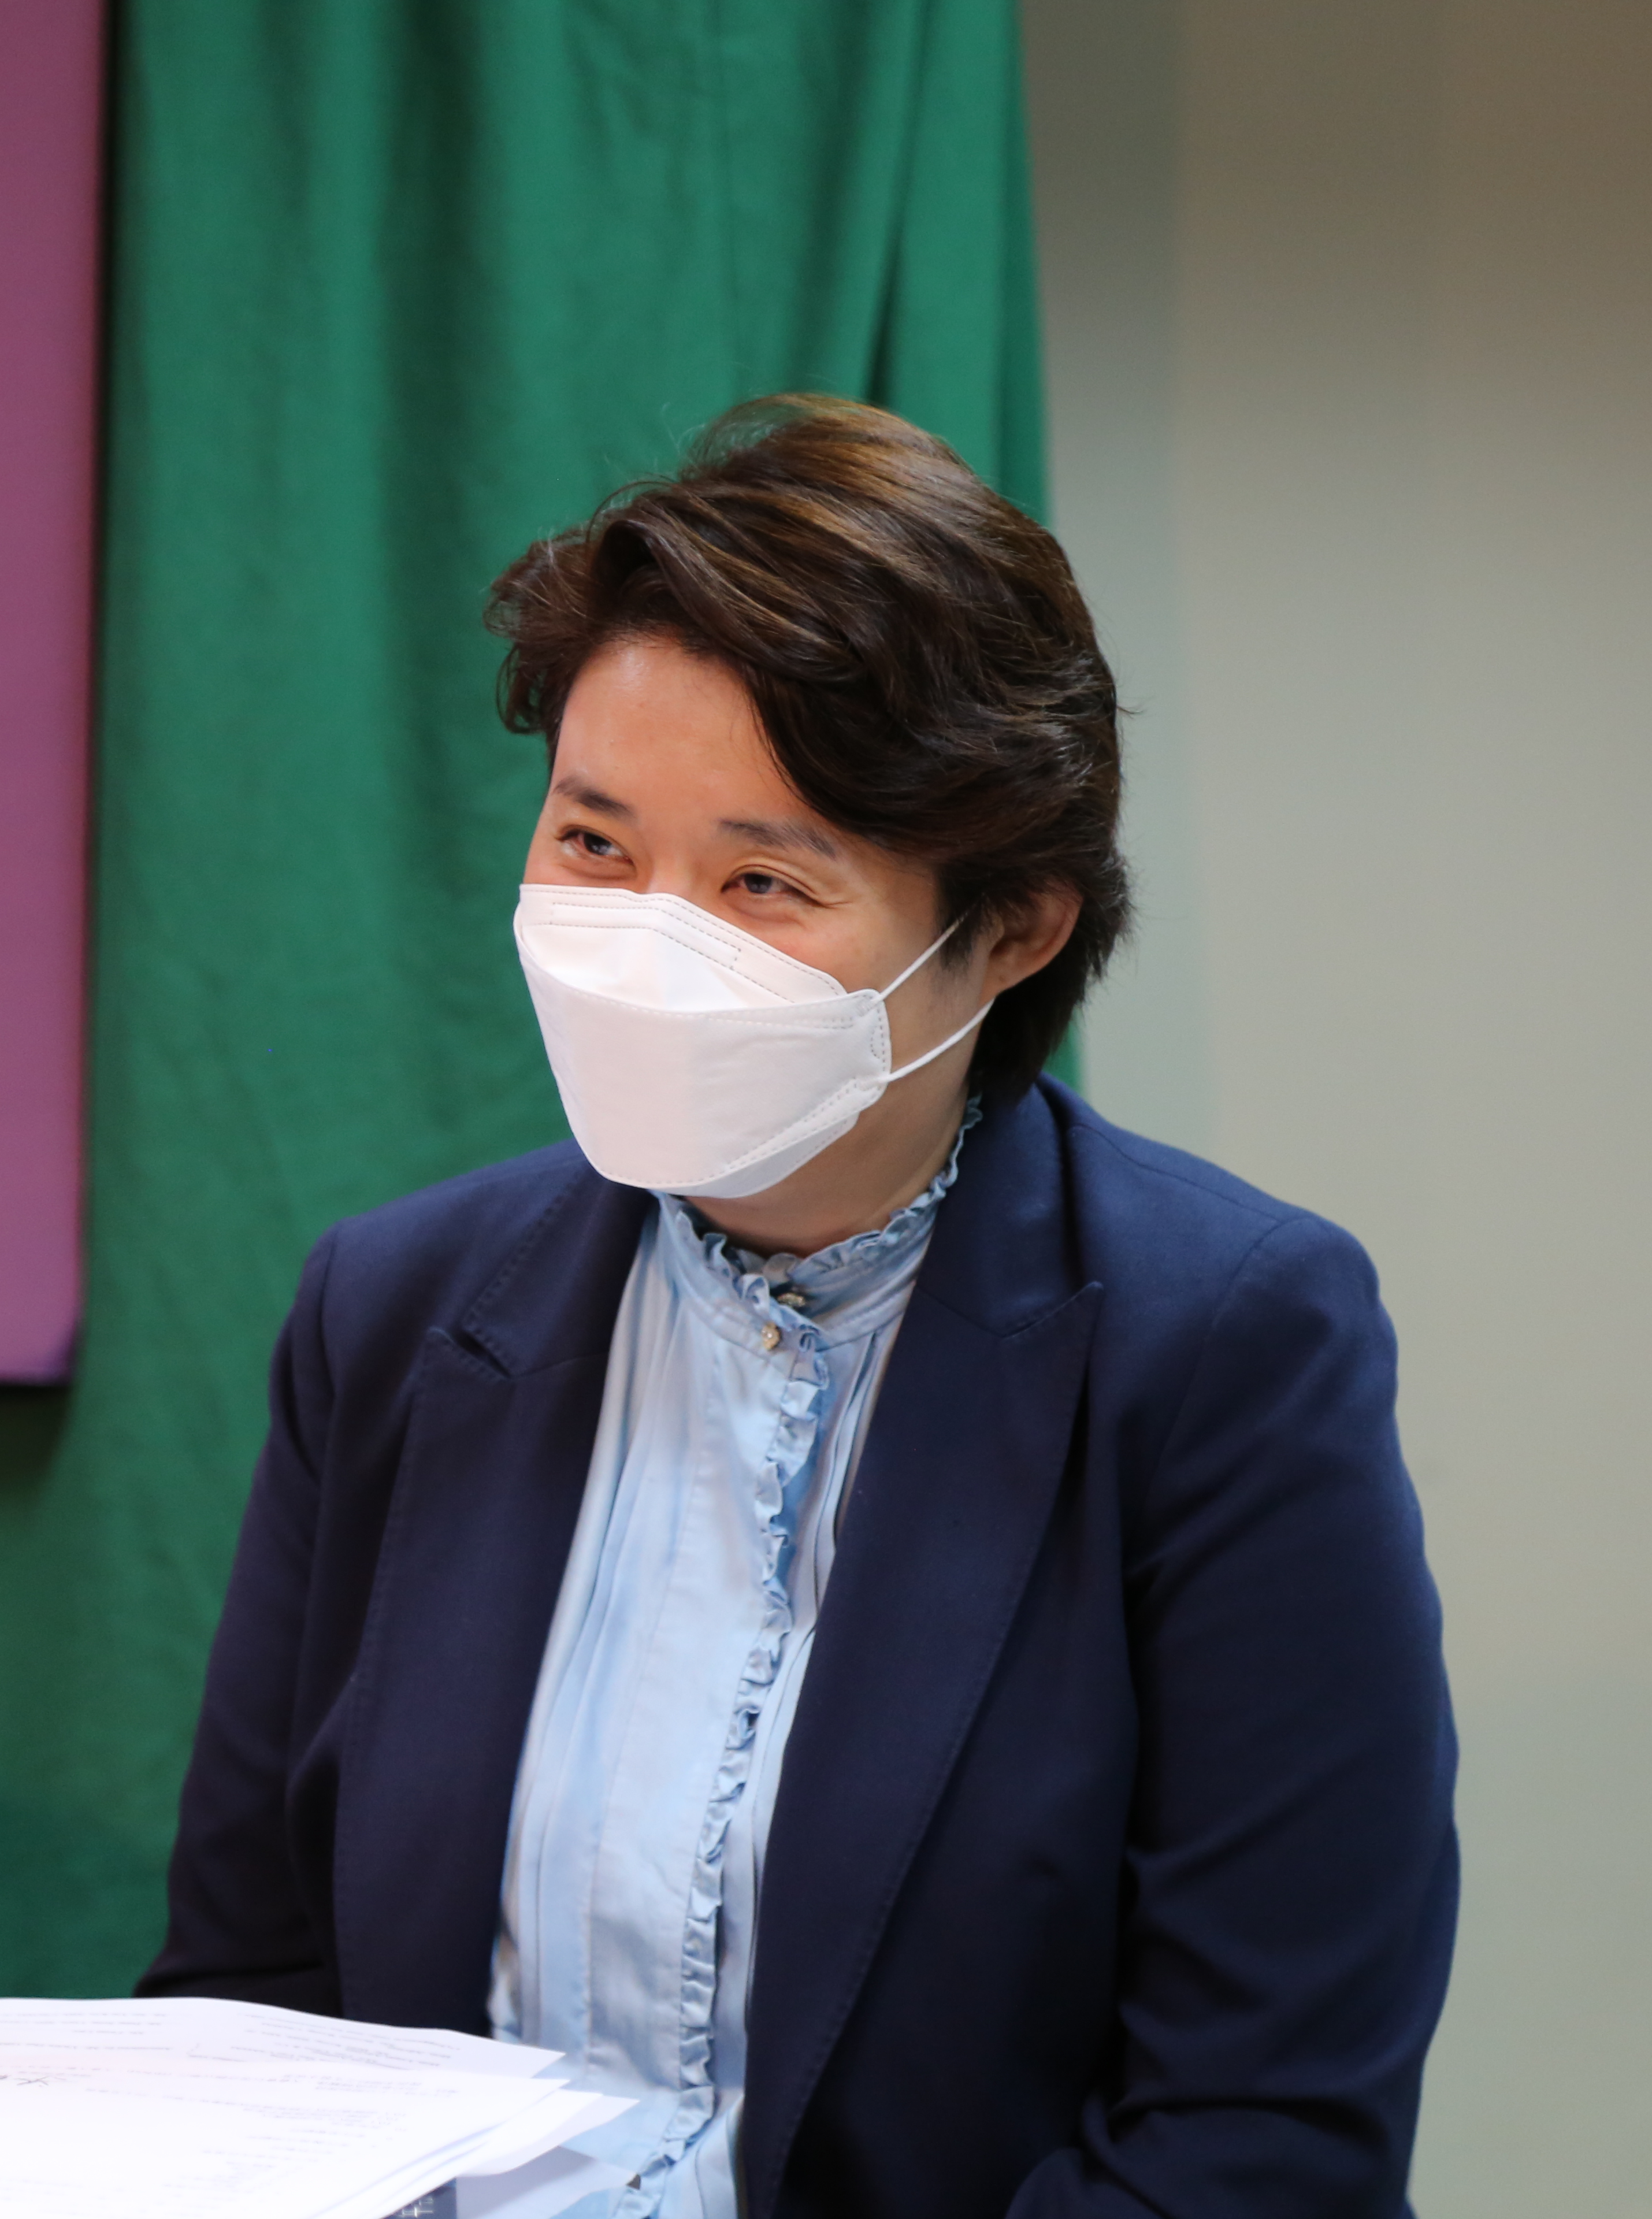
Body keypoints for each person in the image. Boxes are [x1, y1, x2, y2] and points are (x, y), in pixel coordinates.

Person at [146, 398, 1458, 2216]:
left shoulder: (1223, 1348)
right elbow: (250, 2015)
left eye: (763, 881)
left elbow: (1260, 2141)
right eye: (596, 846)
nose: (651, 938)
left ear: (1010, 932)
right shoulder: (397, 1313)